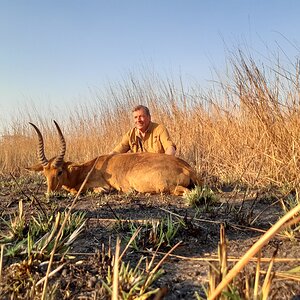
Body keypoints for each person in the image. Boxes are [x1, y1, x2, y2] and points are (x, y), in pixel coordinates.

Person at [111, 105, 176, 155]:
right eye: (136, 117)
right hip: (139, 170)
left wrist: (164, 162)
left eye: (141, 116)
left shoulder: (159, 129)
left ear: (149, 117)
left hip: (157, 168)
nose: (138, 120)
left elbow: (170, 148)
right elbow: (116, 152)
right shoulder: (130, 135)